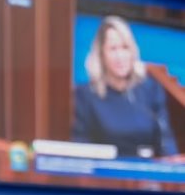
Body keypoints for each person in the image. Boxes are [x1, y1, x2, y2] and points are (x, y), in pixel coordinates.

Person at [72, 15, 178, 158]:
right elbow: (81, 146)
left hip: (145, 169)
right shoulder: (86, 95)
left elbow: (166, 141)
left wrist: (171, 166)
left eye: (125, 48)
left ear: (132, 52)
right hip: (105, 169)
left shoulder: (151, 89)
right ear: (101, 54)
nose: (120, 56)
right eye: (113, 49)